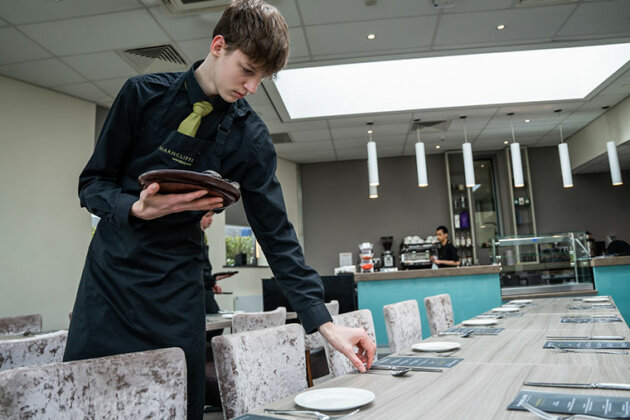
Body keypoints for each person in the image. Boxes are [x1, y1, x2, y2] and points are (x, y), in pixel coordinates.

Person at [63, 1, 375, 418]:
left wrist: (323, 322)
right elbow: (92, 183)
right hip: (110, 281)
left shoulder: (251, 137)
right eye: (246, 70)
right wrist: (136, 208)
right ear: (218, 45)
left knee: (175, 404)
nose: (251, 87)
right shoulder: (142, 96)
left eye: (261, 78)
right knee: (88, 400)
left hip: (177, 288)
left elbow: (276, 235)